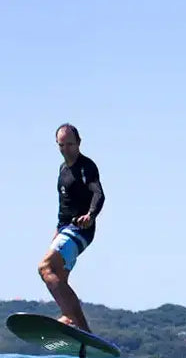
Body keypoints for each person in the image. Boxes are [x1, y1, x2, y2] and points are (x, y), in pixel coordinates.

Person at [38, 123, 106, 333]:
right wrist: (56, 234)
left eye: (70, 144)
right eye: (61, 145)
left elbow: (98, 193)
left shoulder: (86, 167)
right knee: (59, 278)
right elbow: (63, 208)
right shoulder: (62, 170)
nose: (66, 149)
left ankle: (69, 317)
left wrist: (90, 215)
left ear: (79, 143)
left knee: (45, 267)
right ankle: (85, 334)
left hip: (81, 229)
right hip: (65, 229)